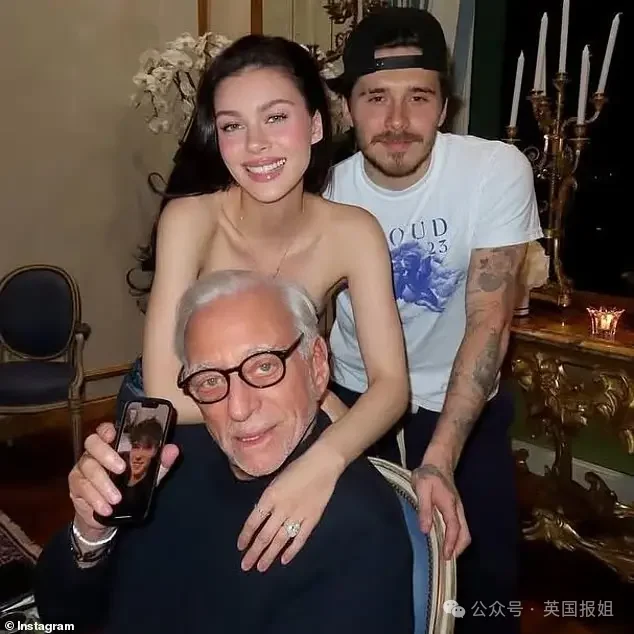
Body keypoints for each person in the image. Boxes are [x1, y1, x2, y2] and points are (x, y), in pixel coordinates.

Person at [119, 33, 409, 572]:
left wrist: (325, 458)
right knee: (155, 567)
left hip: (275, 407)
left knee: (355, 530)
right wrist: (318, 403)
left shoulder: (353, 232)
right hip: (172, 412)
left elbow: (392, 384)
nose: (256, 145)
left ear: (316, 125)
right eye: (232, 126)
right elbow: (165, 392)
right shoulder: (191, 220)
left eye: (276, 117)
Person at [34, 271, 414, 634]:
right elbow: (60, 615)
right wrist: (91, 534)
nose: (239, 408)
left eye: (264, 366)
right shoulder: (166, 457)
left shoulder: (358, 526)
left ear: (316, 365)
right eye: (210, 379)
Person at [324, 7, 543, 633]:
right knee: (363, 576)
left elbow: (489, 320)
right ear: (348, 108)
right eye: (376, 98)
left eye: (418, 97)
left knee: (484, 585)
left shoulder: (494, 170)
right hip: (353, 397)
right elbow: (307, 319)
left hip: (461, 403)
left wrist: (440, 456)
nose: (397, 122)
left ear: (444, 106)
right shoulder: (324, 187)